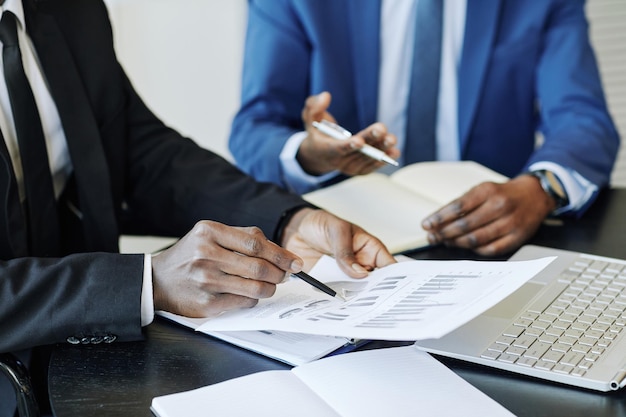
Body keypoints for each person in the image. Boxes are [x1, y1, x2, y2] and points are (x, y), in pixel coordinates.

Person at [0, 0, 396, 415]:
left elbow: (141, 154)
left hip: (85, 360)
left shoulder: (68, 10)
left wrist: (287, 219)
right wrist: (146, 282)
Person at [229, 0, 620, 257]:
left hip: (489, 243)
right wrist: (308, 154)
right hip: (337, 244)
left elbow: (583, 119)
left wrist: (542, 189)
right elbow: (254, 127)